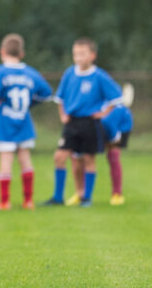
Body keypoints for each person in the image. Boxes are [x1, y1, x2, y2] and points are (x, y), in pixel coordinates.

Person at [43, 38, 123, 207]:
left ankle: (86, 197)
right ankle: (58, 197)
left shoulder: (99, 76)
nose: (78, 57)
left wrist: (103, 113)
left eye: (82, 54)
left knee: (88, 159)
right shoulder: (69, 74)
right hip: (72, 123)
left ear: (92, 55)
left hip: (90, 123)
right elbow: (60, 99)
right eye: (75, 54)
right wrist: (62, 115)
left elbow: (116, 98)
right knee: (60, 157)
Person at [0, 33, 53, 211]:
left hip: (4, 123)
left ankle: (5, 202)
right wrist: (30, 104)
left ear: (2, 51)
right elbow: (46, 94)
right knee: (25, 159)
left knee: (6, 161)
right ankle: (28, 200)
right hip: (24, 120)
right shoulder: (30, 73)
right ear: (21, 53)